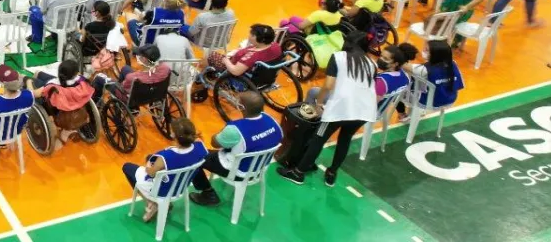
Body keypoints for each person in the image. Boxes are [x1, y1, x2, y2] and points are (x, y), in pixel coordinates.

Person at [278, 30, 377, 186]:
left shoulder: (339, 57)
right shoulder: (372, 64)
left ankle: (298, 173)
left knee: (319, 138)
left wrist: (319, 104)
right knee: (345, 140)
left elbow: (328, 85)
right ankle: (331, 173)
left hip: (341, 108)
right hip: (365, 110)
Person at [189, 90, 283, 207]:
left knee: (193, 156)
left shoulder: (234, 130)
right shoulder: (272, 120)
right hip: (259, 168)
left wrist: (221, 133)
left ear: (241, 107)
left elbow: (214, 143)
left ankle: (208, 194)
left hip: (238, 171)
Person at [122, 117, 209, 222]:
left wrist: (148, 167)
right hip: (181, 187)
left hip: (163, 191)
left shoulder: (166, 156)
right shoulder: (201, 147)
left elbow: (151, 174)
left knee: (127, 167)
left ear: (173, 135)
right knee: (150, 158)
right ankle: (155, 204)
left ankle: (151, 203)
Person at [29, 58, 97, 150]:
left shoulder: (53, 86)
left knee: (32, 79)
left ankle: (30, 77)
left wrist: (28, 82)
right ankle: (37, 74)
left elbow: (33, 94)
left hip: (58, 113)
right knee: (39, 73)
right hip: (77, 109)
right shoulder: (83, 82)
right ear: (77, 73)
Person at [400, 39, 463, 119]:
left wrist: (403, 49)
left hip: (428, 103)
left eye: (426, 50)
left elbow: (403, 65)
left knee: (399, 89)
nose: (423, 50)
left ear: (435, 55)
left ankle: (402, 114)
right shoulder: (453, 63)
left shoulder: (423, 70)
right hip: (450, 100)